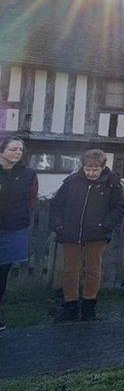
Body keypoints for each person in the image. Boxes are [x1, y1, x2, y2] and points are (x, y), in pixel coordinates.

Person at [50, 149, 124, 322]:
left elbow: (119, 207)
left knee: (93, 270)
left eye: (95, 169)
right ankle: (70, 306)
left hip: (97, 234)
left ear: (103, 166)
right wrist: (58, 225)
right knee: (70, 270)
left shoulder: (113, 183)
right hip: (70, 232)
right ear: (82, 166)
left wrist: (104, 225)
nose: (91, 173)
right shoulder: (71, 181)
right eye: (87, 169)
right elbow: (56, 205)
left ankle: (89, 306)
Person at [0, 137, 37, 331]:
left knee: (2, 273)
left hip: (13, 229)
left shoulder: (28, 174)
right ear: (2, 150)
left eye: (20, 150)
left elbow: (31, 200)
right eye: (13, 149)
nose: (17, 152)